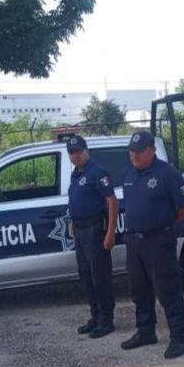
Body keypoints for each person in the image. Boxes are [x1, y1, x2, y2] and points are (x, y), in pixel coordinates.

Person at [120, 130, 184, 359]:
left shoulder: (167, 173)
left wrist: (166, 224)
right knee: (139, 290)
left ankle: (179, 338)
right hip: (135, 241)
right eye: (131, 152)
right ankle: (145, 331)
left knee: (167, 290)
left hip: (158, 241)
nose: (134, 156)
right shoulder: (129, 174)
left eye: (139, 151)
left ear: (152, 150)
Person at [66, 135, 118, 338]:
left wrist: (110, 232)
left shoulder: (97, 172)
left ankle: (106, 320)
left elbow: (112, 201)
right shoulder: (76, 174)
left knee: (100, 276)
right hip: (80, 231)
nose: (75, 156)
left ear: (86, 150)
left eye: (78, 151)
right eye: (72, 153)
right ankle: (95, 317)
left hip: (95, 230)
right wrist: (73, 224)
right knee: (86, 276)